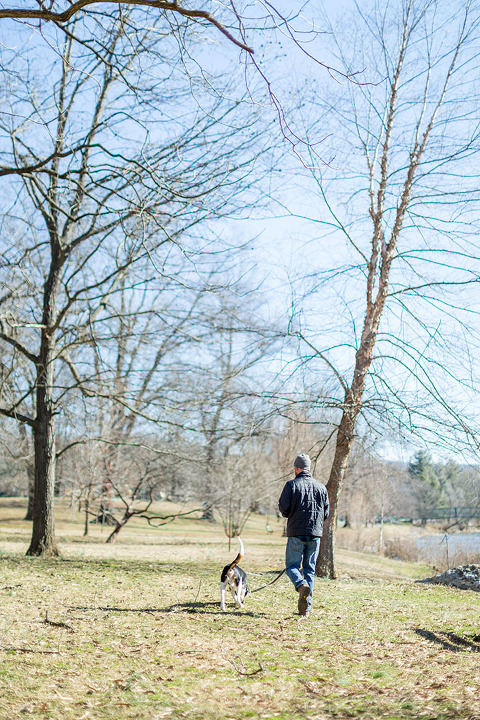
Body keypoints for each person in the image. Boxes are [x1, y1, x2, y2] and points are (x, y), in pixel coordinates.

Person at [278, 453, 329, 617]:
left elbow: (284, 509)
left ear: (296, 468)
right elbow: (326, 513)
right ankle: (305, 610)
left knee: (292, 566)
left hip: (296, 533)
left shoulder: (291, 485)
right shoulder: (321, 487)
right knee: (309, 570)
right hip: (315, 535)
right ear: (309, 469)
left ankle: (300, 586)